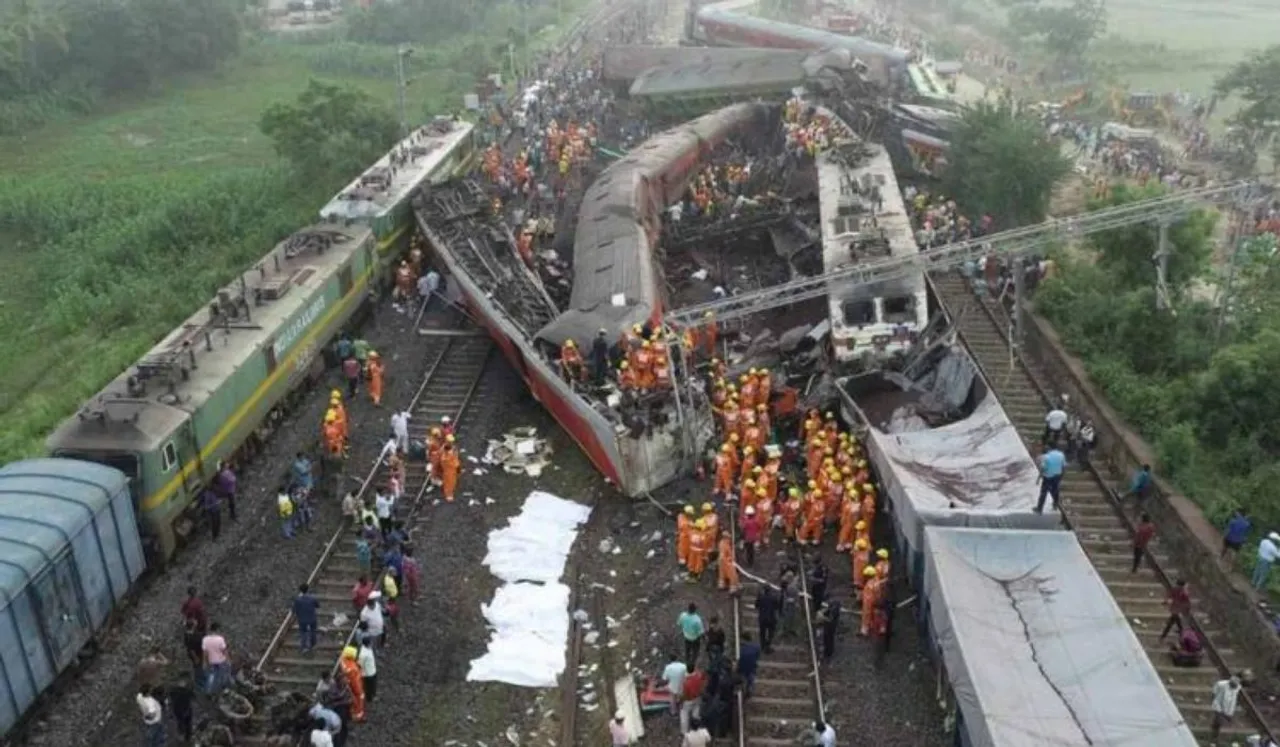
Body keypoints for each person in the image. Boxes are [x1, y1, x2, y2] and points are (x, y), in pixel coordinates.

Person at [1210, 675, 1242, 743]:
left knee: (1219, 722)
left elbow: (1234, 697)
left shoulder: (1238, 687)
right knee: (1220, 720)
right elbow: (1213, 692)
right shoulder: (1221, 684)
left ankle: (1214, 733)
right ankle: (1216, 737)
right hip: (1218, 704)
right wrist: (1214, 701)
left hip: (1229, 707)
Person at [201, 622, 230, 694]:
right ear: (217, 629)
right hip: (221, 660)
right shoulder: (220, 639)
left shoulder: (205, 639)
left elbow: (205, 652)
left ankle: (208, 690)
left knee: (211, 676)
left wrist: (204, 662)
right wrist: (228, 659)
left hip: (211, 661)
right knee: (223, 674)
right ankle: (223, 689)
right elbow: (224, 650)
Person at [1036, 444, 1066, 513]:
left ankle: (1039, 508)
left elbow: (1043, 468)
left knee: (1044, 492)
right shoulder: (1061, 455)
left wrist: (1038, 478)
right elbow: (1064, 466)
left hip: (1048, 476)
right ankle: (1055, 504)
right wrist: (1062, 475)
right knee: (1055, 490)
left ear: (1049, 448)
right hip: (1057, 476)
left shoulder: (1046, 456)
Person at [167, 672, 195, 742]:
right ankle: (186, 737)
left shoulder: (173, 689)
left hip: (180, 709)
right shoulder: (187, 690)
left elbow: (170, 697)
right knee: (185, 723)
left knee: (182, 723)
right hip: (184, 709)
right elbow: (193, 697)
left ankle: (184, 736)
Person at [294, 583, 320, 654]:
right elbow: (318, 605)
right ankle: (313, 644)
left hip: (302, 619)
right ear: (308, 589)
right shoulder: (312, 598)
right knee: (313, 631)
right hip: (312, 618)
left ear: (300, 591)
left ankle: (304, 647)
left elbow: (294, 610)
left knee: (303, 633)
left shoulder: (297, 600)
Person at [677, 603, 705, 667]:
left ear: (688, 608)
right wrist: (704, 640)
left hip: (686, 636)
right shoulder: (697, 620)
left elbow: (679, 624)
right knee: (695, 650)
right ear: (695, 610)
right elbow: (701, 632)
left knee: (687, 649)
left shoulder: (682, 615)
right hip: (695, 638)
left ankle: (687, 661)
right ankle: (693, 662)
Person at [680, 667, 707, 734]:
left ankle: (684, 731)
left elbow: (685, 694)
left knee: (684, 715)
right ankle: (697, 729)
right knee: (696, 715)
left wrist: (681, 701)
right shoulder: (698, 677)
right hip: (698, 698)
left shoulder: (686, 682)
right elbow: (703, 679)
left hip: (689, 700)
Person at [754, 584, 779, 653]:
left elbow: (756, 605)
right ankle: (768, 645)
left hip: (762, 618)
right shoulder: (773, 597)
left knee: (762, 633)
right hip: (771, 618)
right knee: (771, 633)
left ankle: (763, 646)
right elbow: (777, 606)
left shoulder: (761, 597)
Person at [737, 632, 760, 697]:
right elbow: (757, 656)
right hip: (752, 667)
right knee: (750, 678)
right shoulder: (756, 647)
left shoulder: (742, 648)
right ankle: (749, 689)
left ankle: (745, 690)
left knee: (743, 678)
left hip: (743, 667)